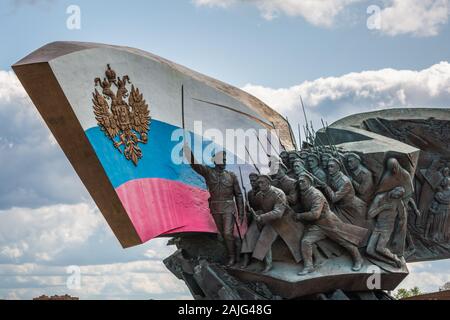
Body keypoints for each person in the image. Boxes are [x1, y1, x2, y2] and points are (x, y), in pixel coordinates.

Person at [295, 173, 368, 275]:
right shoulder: (304, 193)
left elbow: (315, 214)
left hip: (330, 223)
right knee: (306, 241)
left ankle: (358, 259)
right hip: (318, 225)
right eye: (299, 181)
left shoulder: (316, 195)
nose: (300, 183)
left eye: (303, 181)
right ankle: (309, 266)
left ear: (310, 182)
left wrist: (300, 216)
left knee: (344, 241)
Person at [184, 145, 244, 266]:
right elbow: (195, 165)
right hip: (216, 208)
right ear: (216, 161)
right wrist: (188, 152)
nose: (225, 162)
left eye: (225, 160)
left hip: (228, 208)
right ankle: (232, 255)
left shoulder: (231, 176)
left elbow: (238, 195)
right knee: (222, 235)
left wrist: (241, 212)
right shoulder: (208, 172)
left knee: (228, 233)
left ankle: (233, 257)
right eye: (223, 160)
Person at [251, 175, 302, 272]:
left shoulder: (278, 193)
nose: (260, 185)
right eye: (259, 183)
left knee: (297, 242)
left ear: (269, 183)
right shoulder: (259, 195)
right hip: (272, 221)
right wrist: (257, 214)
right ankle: (268, 264)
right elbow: (260, 208)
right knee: (264, 240)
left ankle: (308, 262)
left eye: (262, 183)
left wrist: (262, 217)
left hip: (286, 220)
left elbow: (278, 213)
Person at [322, 158, 369, 228]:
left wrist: (326, 187)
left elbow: (334, 198)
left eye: (332, 166)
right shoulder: (332, 177)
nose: (329, 169)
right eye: (328, 166)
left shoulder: (345, 182)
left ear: (338, 168)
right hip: (341, 206)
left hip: (353, 209)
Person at [366, 187, 407, 268]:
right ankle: (389, 262)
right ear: (394, 190)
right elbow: (370, 215)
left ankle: (394, 258)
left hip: (387, 229)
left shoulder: (398, 202)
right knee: (369, 251)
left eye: (399, 196)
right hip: (377, 227)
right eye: (397, 195)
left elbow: (402, 218)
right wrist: (383, 207)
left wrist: (397, 235)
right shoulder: (380, 198)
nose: (396, 197)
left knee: (380, 248)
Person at [240, 173, 262, 268]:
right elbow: (248, 209)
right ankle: (246, 258)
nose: (252, 183)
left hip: (264, 217)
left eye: (254, 181)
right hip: (254, 218)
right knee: (247, 235)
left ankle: (258, 260)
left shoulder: (264, 191)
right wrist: (248, 208)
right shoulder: (249, 193)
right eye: (251, 181)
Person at [424, 177, 450, 242]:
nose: (442, 181)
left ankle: (440, 237)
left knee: (442, 224)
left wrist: (442, 199)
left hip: (445, 210)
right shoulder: (440, 191)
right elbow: (438, 199)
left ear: (447, 182)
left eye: (444, 180)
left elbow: (445, 200)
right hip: (438, 209)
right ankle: (433, 236)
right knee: (436, 223)